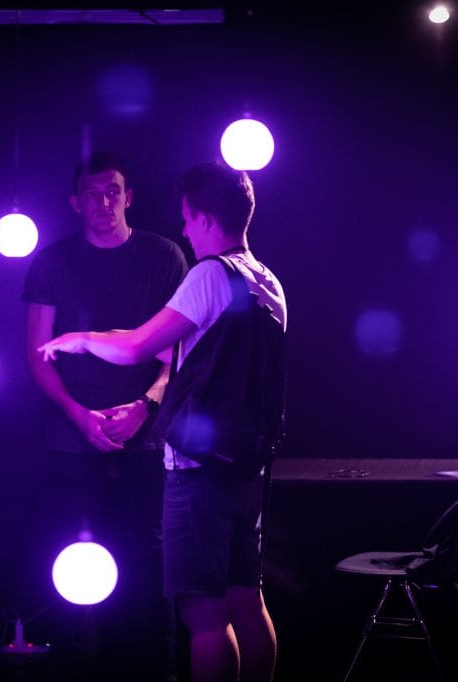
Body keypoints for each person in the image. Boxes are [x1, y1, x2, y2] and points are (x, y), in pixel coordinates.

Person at [39, 160, 286, 682]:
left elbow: (136, 348)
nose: (182, 229)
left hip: (200, 470)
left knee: (203, 616)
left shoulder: (209, 274)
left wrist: (79, 339)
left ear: (202, 217)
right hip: (247, 467)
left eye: (187, 219)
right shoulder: (268, 282)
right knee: (248, 601)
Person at [22, 152, 188, 680]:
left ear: (129, 195)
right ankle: (73, 664)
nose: (104, 202)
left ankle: (155, 669)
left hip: (148, 433)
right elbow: (37, 354)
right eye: (92, 194)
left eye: (113, 191)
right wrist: (79, 416)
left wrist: (146, 405)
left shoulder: (164, 256)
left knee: (149, 553)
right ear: (75, 202)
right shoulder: (51, 262)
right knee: (70, 551)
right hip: (74, 435)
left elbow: (179, 351)